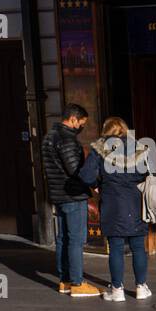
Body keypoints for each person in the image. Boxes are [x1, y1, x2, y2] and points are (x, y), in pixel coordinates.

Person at [77, 117, 153, 302]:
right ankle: (141, 287)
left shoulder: (99, 149)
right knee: (138, 247)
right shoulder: (139, 148)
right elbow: (148, 173)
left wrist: (98, 184)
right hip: (136, 202)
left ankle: (117, 290)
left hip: (112, 203)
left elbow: (86, 175)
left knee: (116, 248)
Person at [41, 103, 102, 297]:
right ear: (73, 119)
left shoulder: (49, 137)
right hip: (73, 195)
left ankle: (65, 280)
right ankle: (77, 282)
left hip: (59, 195)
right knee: (76, 239)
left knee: (63, 238)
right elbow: (75, 170)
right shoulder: (66, 139)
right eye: (81, 123)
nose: (82, 127)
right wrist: (93, 183)